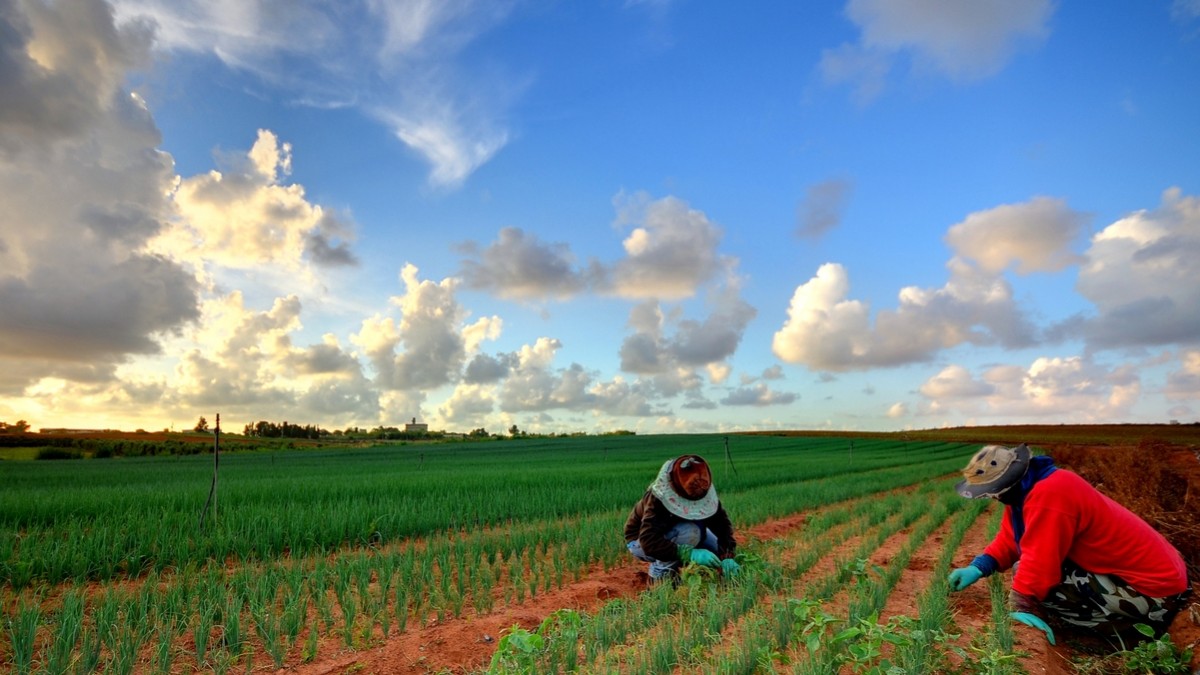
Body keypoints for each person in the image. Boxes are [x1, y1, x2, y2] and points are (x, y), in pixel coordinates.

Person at [947, 443, 1191, 645]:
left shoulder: (1050, 495)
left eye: (992, 491)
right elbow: (1011, 539)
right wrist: (979, 567)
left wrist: (1022, 606)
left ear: (1007, 483)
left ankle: (1131, 633)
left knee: (1044, 585)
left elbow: (1040, 561)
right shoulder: (1031, 489)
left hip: (1154, 590)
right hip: (1151, 577)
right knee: (1034, 576)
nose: (993, 497)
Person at [624, 454, 739, 582]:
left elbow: (722, 527)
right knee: (690, 532)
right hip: (641, 542)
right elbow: (649, 542)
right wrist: (688, 554)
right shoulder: (658, 500)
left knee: (716, 549)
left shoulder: (702, 489)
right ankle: (660, 576)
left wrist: (727, 556)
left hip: (686, 532)